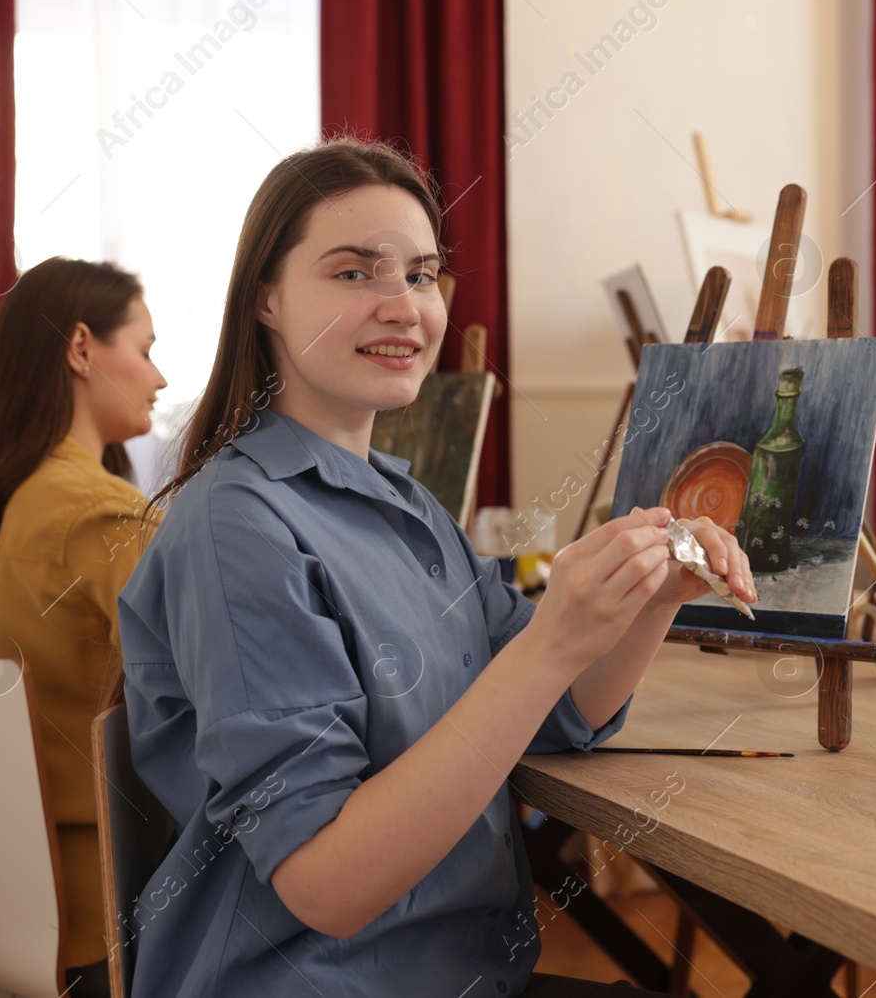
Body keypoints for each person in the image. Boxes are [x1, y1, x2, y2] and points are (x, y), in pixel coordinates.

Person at [117, 138, 756, 998]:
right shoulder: (237, 525)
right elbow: (326, 884)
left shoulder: (406, 503)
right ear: (265, 297)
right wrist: (549, 643)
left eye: (421, 275)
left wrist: (654, 598)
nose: (403, 306)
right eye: (353, 273)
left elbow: (559, 713)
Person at [0, 256, 167, 997]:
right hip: (117, 911)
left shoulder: (8, 500)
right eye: (148, 349)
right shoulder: (100, 512)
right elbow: (215, 686)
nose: (159, 377)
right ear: (82, 347)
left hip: (25, 903)